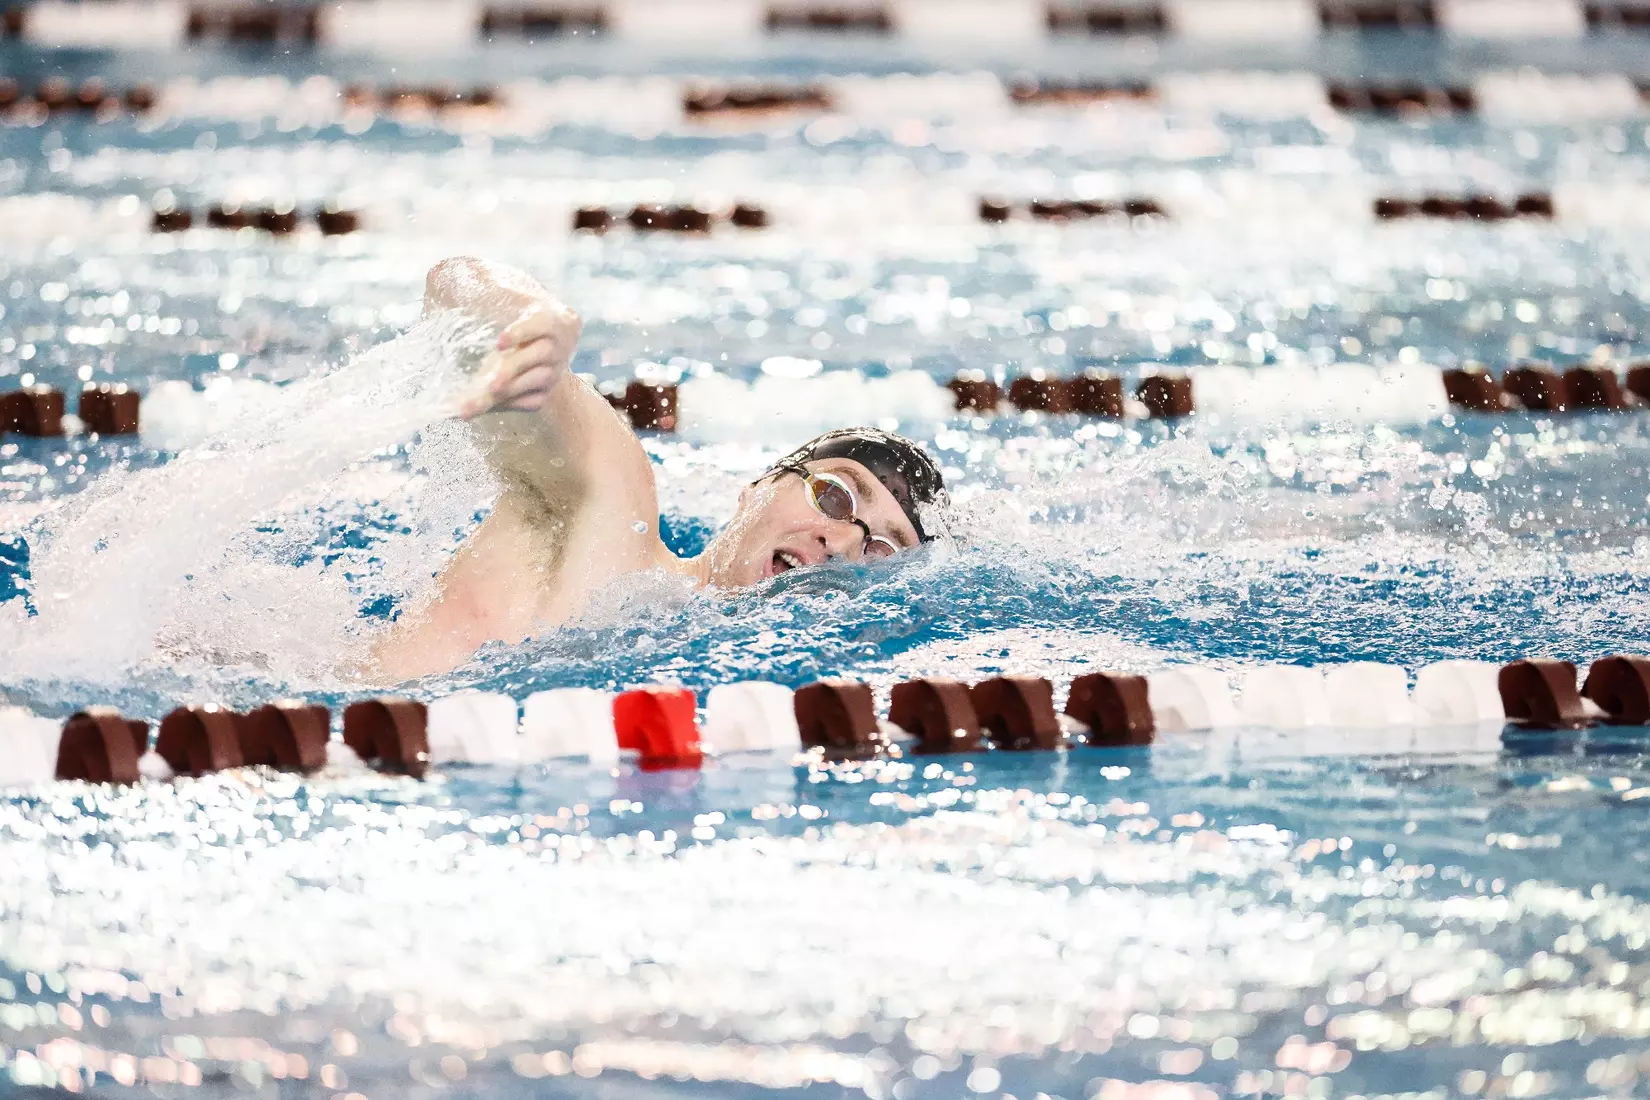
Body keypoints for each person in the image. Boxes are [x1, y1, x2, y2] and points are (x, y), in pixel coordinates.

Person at [368, 257, 947, 680]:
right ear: (758, 489)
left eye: (880, 550)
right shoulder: (610, 512)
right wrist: (524, 319)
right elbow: (457, 285)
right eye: (836, 497)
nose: (843, 542)